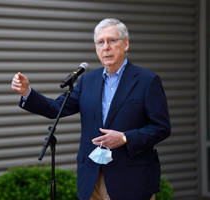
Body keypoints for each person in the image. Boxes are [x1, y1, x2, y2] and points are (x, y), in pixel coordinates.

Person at [11, 18, 170, 200]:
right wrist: (27, 92)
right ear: (96, 48)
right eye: (100, 42)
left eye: (112, 41)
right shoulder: (88, 81)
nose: (106, 47)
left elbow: (161, 128)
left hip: (130, 180)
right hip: (92, 178)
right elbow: (56, 108)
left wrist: (125, 138)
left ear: (125, 44)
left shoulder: (147, 81)